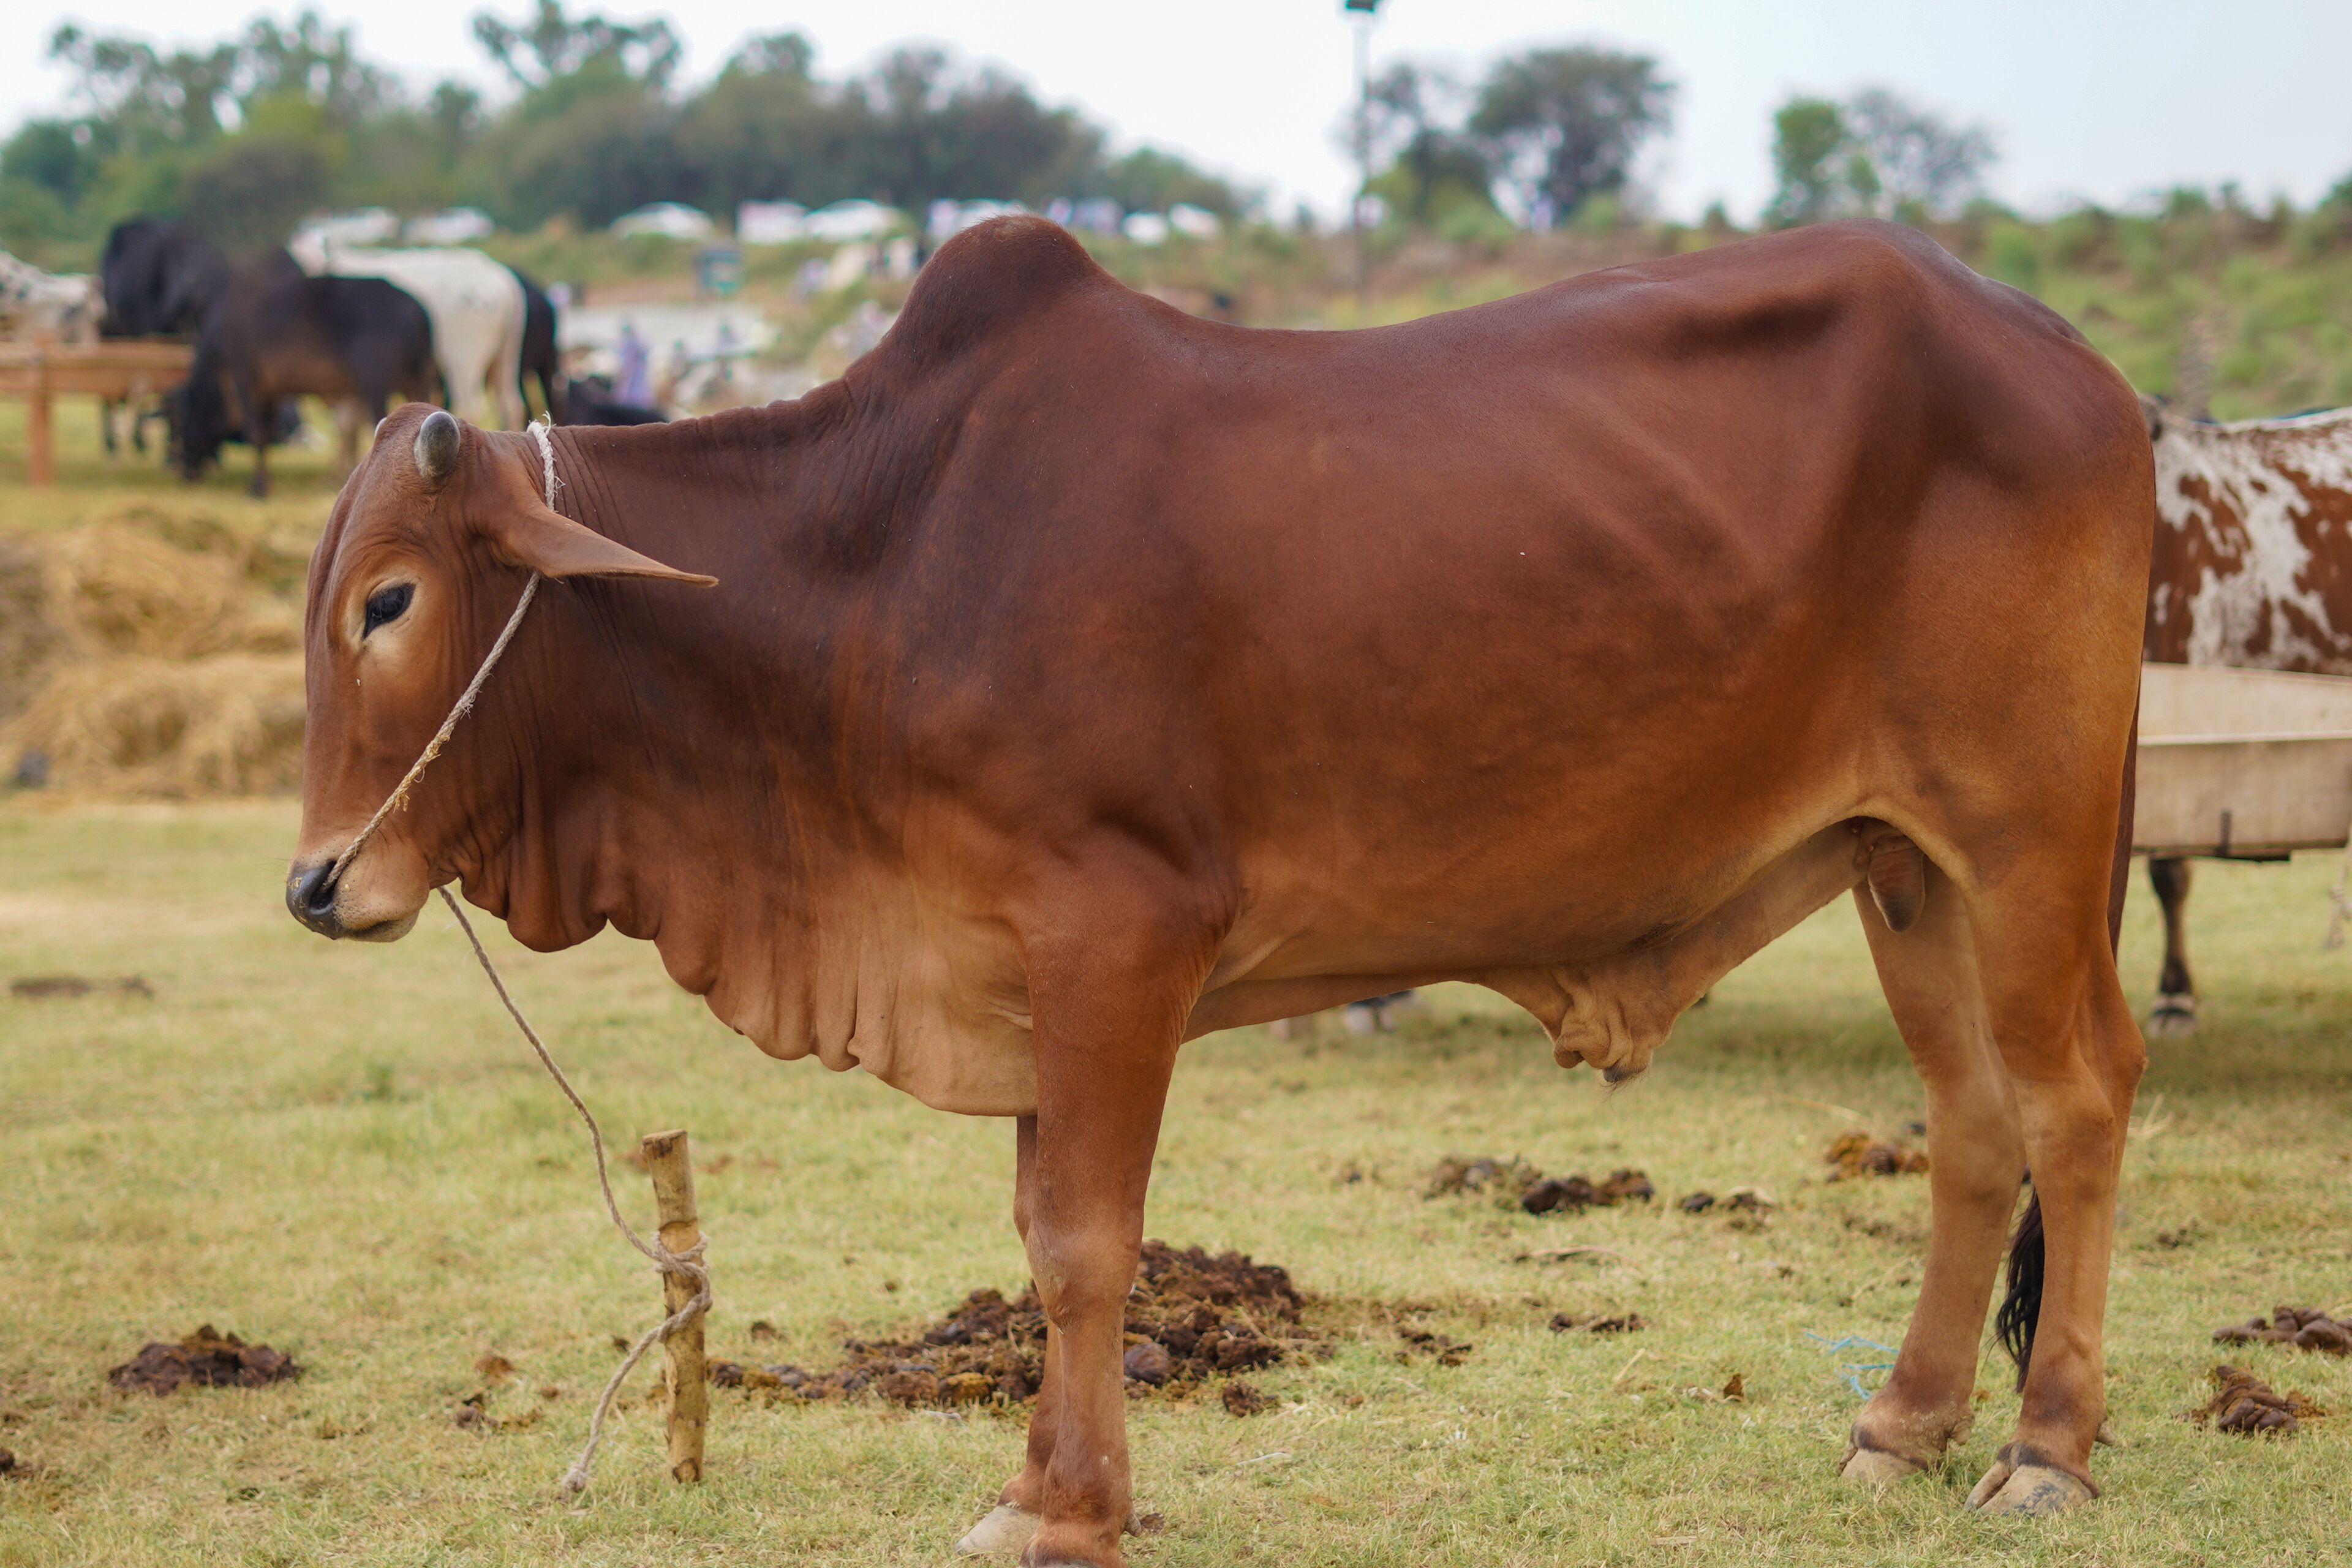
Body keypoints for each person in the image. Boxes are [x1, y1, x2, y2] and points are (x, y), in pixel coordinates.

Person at [614, 321, 649, 407]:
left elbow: (628, 362)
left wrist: (624, 373)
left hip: (633, 375)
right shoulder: (637, 343)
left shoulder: (629, 344)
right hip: (636, 375)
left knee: (631, 394)